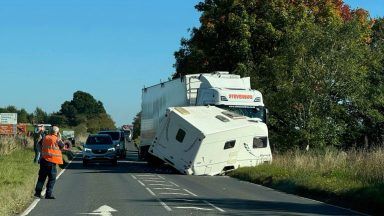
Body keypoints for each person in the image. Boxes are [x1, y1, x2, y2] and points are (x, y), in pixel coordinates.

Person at [34, 126, 64, 199]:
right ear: (57, 132)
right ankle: (48, 194)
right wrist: (60, 137)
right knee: (52, 179)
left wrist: (41, 152)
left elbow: (38, 145)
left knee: (41, 178)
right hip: (52, 162)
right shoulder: (57, 139)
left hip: (43, 160)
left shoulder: (45, 137)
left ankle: (37, 193)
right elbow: (62, 146)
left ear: (50, 131)